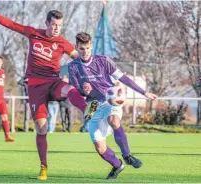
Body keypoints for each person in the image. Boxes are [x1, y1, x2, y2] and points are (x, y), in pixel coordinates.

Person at [0, 2, 98, 180]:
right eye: (53, 25)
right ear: (46, 23)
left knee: (68, 88)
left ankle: (87, 110)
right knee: (41, 128)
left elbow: (79, 57)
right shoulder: (34, 33)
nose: (56, 29)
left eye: (59, 26)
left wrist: (89, 73)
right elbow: (13, 25)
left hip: (53, 82)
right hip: (35, 87)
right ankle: (44, 166)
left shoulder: (63, 42)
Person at [68, 32, 158, 180]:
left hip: (111, 100)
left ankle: (127, 155)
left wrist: (144, 92)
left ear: (91, 46)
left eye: (88, 48)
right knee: (100, 148)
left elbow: (123, 78)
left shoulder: (103, 61)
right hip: (93, 106)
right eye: (82, 49)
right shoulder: (73, 67)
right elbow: (77, 91)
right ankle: (117, 165)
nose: (85, 52)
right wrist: (84, 90)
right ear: (76, 47)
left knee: (114, 121)